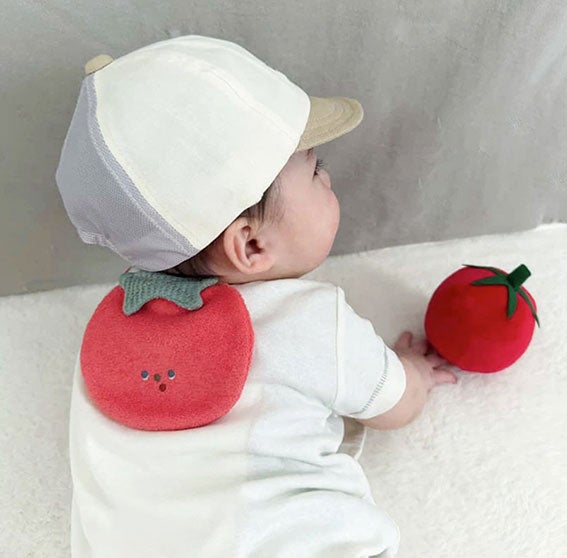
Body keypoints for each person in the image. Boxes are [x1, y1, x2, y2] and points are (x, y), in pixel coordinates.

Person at [56, 34, 458, 558]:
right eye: (315, 168)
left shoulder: (108, 339)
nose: (329, 178)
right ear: (250, 245)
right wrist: (414, 371)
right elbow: (395, 405)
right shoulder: (313, 319)